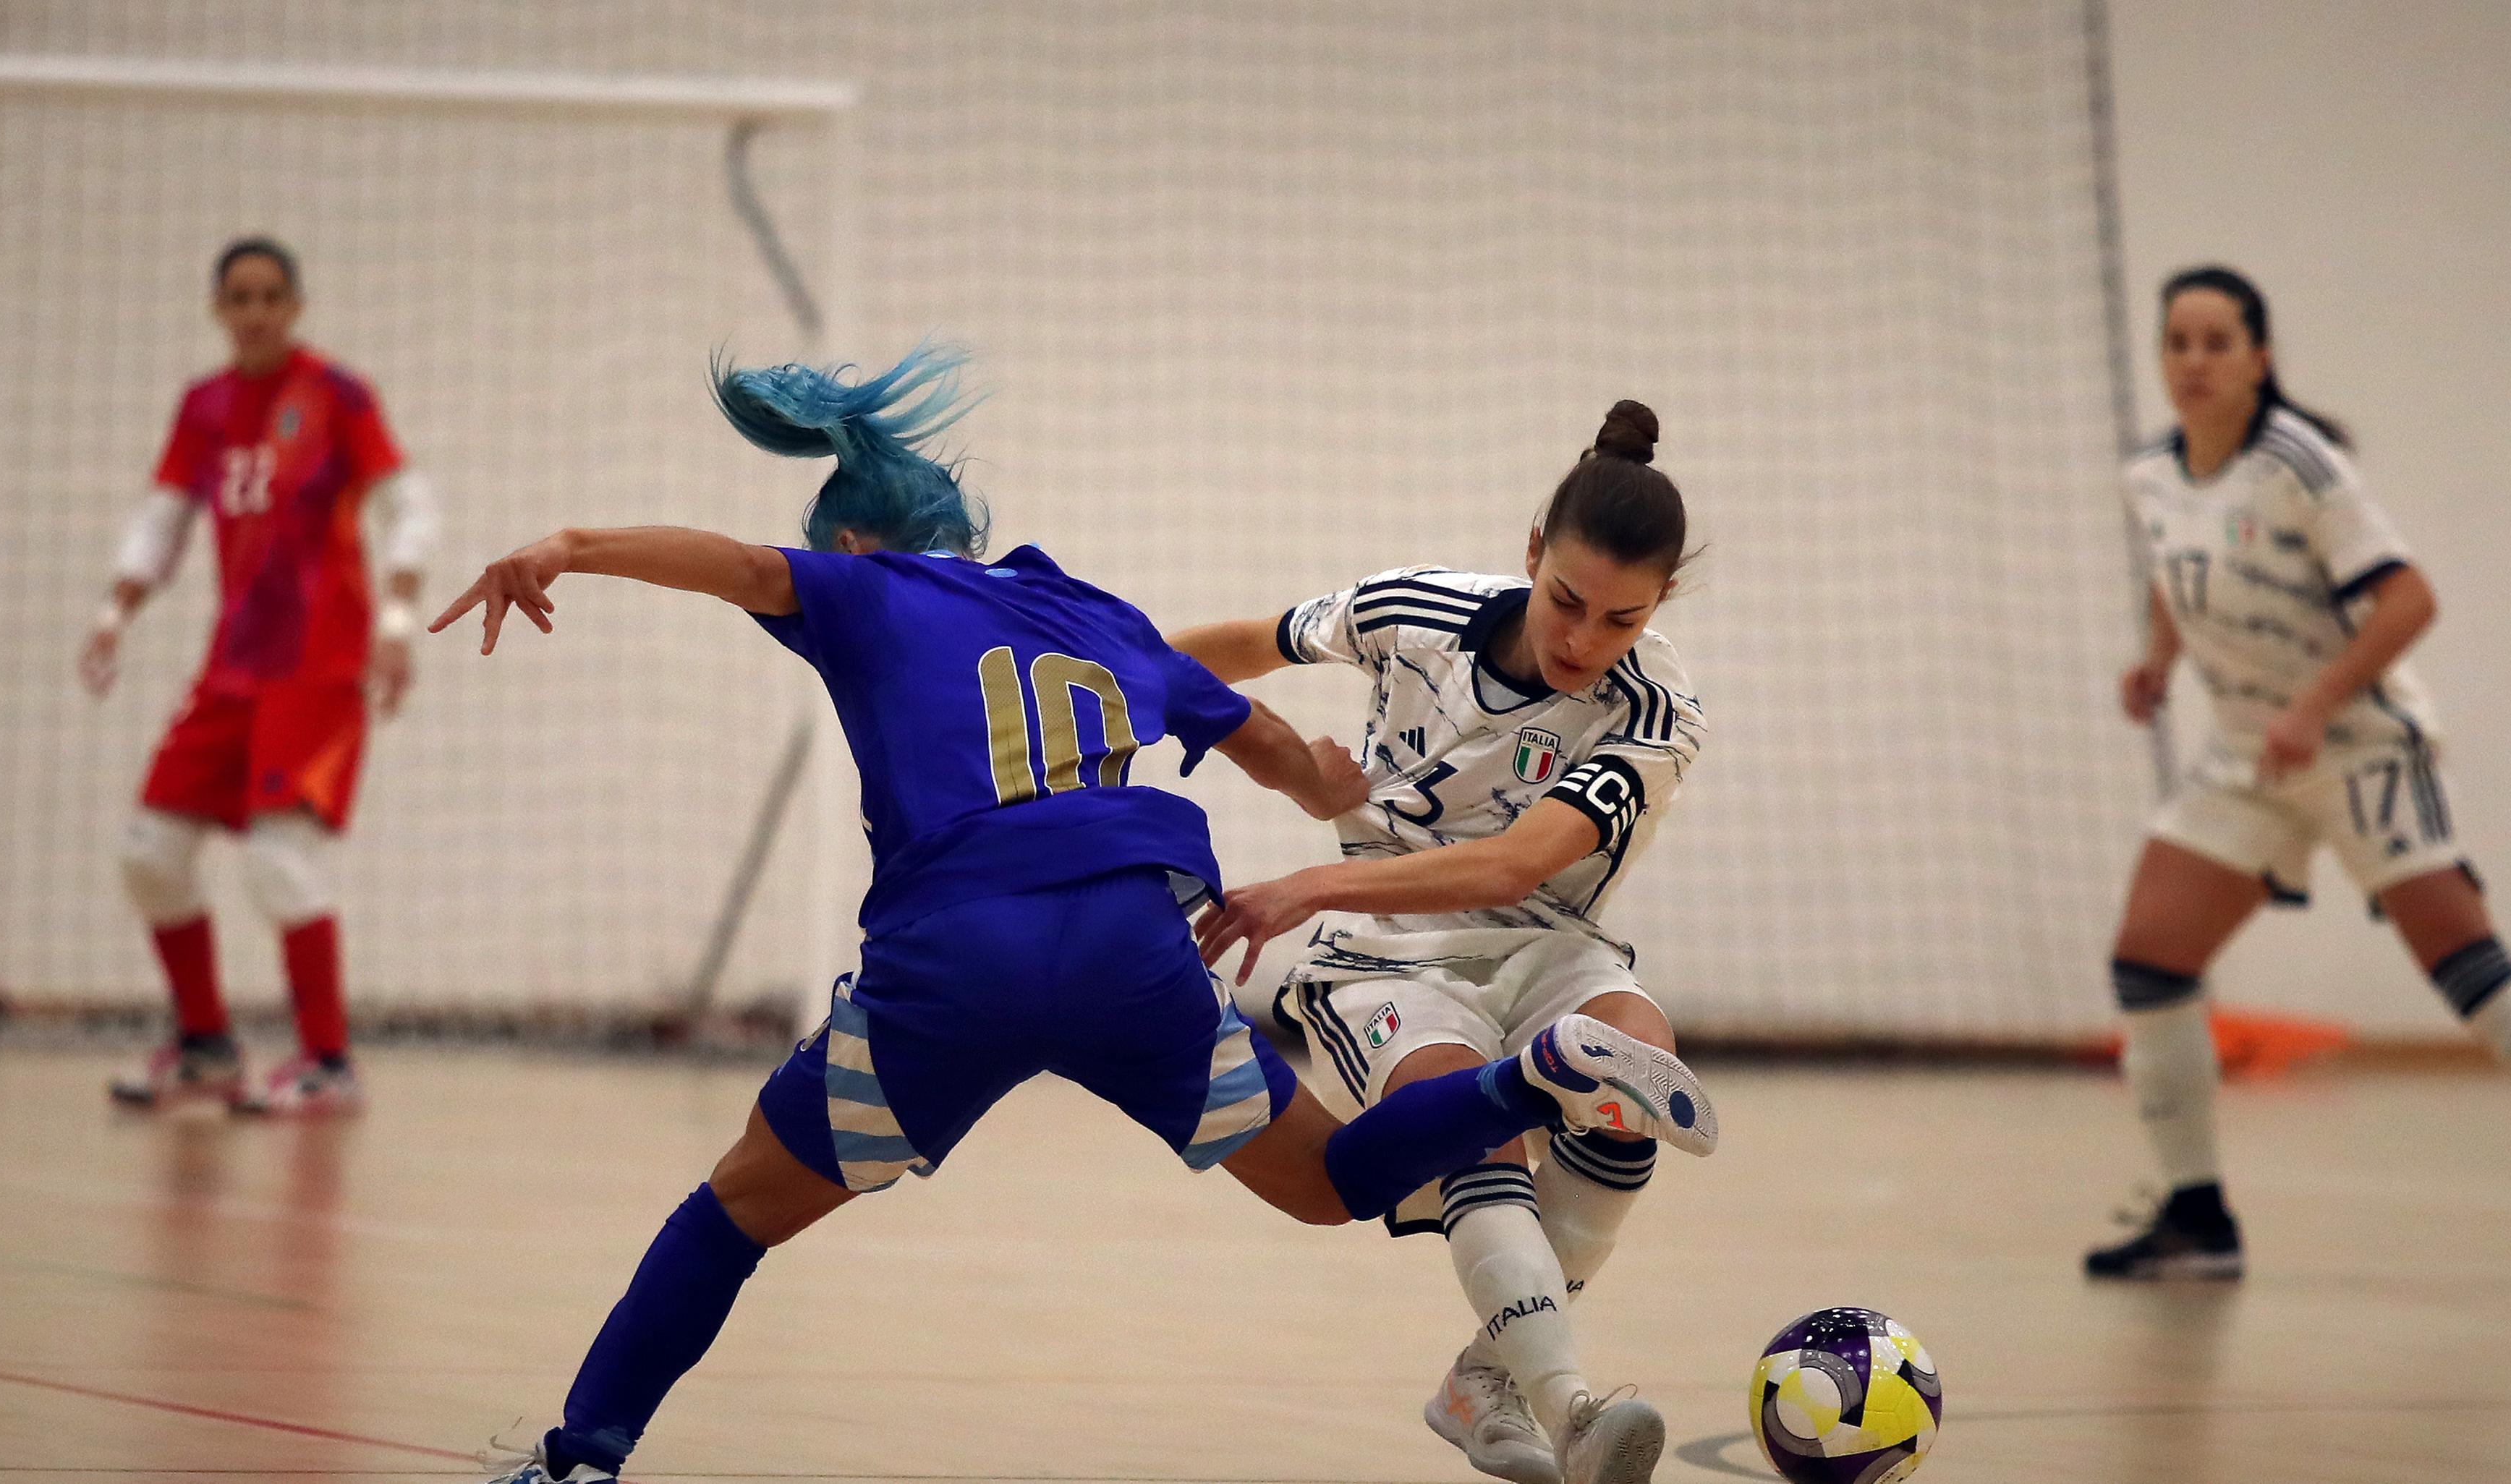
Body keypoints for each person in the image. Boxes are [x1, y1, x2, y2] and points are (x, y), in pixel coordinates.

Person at [438, 348, 1720, 1484]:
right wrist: (1324, 786)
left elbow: (736, 568)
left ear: (855, 547)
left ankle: (577, 1458)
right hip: (1133, 945)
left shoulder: (866, 590)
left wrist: (569, 544)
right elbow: (1260, 730)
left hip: (962, 950)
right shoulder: (1097, 615)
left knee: (733, 1211)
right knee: (1328, 1182)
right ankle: (1532, 1077)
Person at [2087, 265, 2511, 1291]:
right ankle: (2199, 1217)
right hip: (2247, 755)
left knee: (2469, 970)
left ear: (2260, 359)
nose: (2194, 362)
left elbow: (2410, 601)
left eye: (2218, 342)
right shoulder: (2149, 474)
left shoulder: (2302, 465)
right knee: (2150, 960)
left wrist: (2315, 706)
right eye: (2177, 342)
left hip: (2356, 744)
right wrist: (2158, 663)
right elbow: (2177, 578)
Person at [1172, 401, 1709, 1484]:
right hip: (1384, 948)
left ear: (1657, 608)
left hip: (1547, 938)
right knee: (1477, 1129)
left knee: (1635, 1079)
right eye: (1568, 601)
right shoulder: (1414, 611)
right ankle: (1569, 1409)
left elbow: (1514, 866)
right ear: (1532, 552)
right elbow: (1240, 647)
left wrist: (1301, 885)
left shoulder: (1656, 709)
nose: (1583, 641)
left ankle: (1482, 1383)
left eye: (1622, 620)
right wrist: (1094, 679)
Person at [83, 236, 438, 1116]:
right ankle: (205, 1048)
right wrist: (114, 610)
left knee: (281, 863)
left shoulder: (338, 396)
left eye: (271, 295)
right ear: (218, 309)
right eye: (239, 297)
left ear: (295, 305)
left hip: (318, 668)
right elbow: (164, 518)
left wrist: (396, 624)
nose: (255, 312)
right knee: (150, 855)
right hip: (231, 670)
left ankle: (329, 1062)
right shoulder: (204, 406)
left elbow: (409, 507)